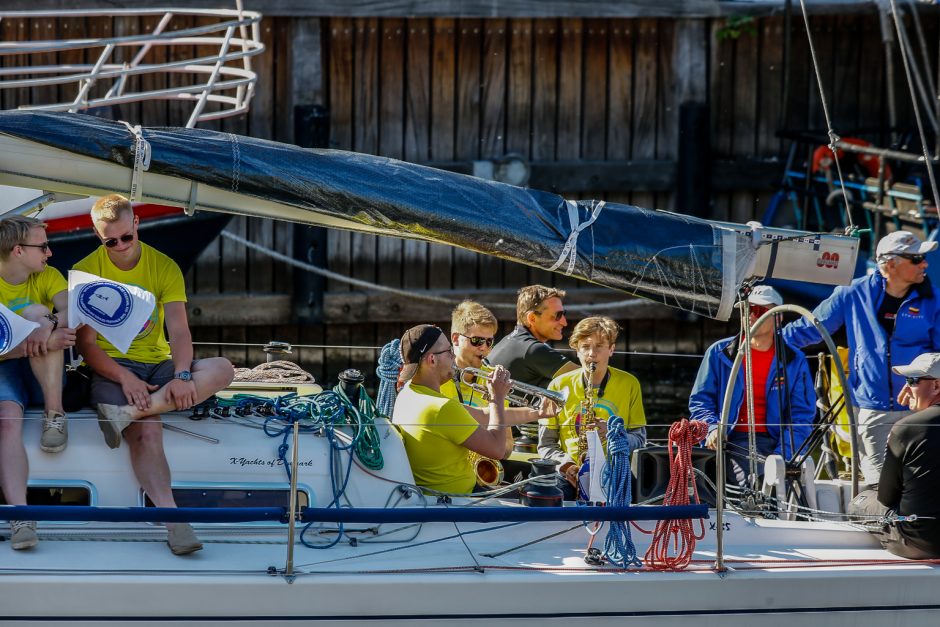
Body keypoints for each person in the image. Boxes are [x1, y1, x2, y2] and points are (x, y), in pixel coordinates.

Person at [74, 194, 234, 555]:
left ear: (136, 225)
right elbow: (87, 346)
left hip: (160, 365)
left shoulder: (164, 266)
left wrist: (180, 374)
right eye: (108, 241)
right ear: (97, 236)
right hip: (114, 369)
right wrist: (125, 378)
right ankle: (174, 522)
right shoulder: (85, 272)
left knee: (223, 367)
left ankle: (128, 414)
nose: (118, 247)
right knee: (148, 431)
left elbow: (179, 332)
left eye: (124, 237)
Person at [782, 230, 940, 486]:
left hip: (920, 412)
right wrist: (766, 341)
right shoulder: (852, 294)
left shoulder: (933, 301)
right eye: (916, 258)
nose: (925, 264)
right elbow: (809, 328)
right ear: (891, 263)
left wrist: (921, 388)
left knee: (921, 483)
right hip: (871, 408)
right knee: (879, 485)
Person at [0, 215, 77, 549]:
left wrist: (46, 325)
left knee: (35, 313)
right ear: (18, 250)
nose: (49, 254)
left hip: (41, 371)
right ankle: (21, 516)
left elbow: (73, 311)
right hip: (5, 363)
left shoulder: (49, 276)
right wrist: (36, 341)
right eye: (43, 246)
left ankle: (54, 414)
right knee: (7, 421)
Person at [689, 286, 816, 488]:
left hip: (776, 441)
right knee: (756, 483)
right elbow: (700, 402)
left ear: (777, 317)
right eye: (747, 310)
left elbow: (802, 415)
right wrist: (713, 428)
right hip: (732, 439)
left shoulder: (794, 360)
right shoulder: (719, 353)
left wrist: (783, 455)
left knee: (791, 484)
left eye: (758, 311)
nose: (750, 316)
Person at [440, 301, 559, 485]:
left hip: (485, 468)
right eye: (477, 341)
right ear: (456, 339)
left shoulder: (493, 377)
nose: (484, 348)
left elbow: (506, 448)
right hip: (449, 469)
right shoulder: (438, 377)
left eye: (489, 342)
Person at [391, 324, 512, 494]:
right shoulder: (442, 407)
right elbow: (498, 449)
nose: (454, 356)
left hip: (431, 496)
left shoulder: (407, 393)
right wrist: (497, 398)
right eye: (448, 351)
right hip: (458, 502)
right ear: (432, 359)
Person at [538, 316, 646, 500]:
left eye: (599, 346)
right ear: (577, 350)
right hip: (569, 474)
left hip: (613, 472)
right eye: (585, 347)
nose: (591, 354)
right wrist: (566, 465)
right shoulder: (558, 385)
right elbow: (546, 444)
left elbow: (639, 440)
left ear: (611, 349)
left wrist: (613, 434)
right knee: (549, 492)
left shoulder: (630, 383)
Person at [848, 352, 940, 559]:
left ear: (936, 386)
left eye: (912, 380)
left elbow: (886, 497)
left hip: (921, 542)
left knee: (859, 501)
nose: (905, 388)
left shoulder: (907, 428)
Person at [487, 285, 577, 388]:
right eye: (558, 315)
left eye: (564, 313)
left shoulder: (510, 340)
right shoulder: (532, 349)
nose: (564, 323)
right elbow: (588, 380)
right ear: (532, 318)